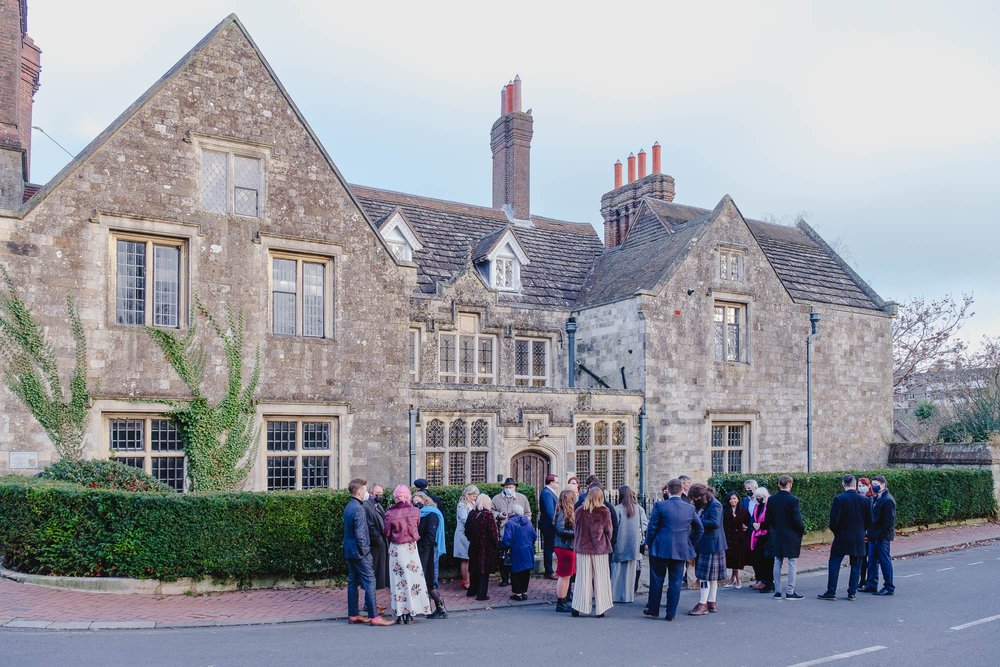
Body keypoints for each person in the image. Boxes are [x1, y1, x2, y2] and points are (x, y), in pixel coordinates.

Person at [644, 478, 704, 621]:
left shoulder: (660, 506)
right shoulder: (689, 508)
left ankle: (653, 610)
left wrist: (649, 543)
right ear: (682, 490)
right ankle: (671, 613)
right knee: (675, 582)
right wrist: (689, 543)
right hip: (680, 549)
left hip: (660, 548)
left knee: (657, 579)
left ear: (668, 490)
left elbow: (652, 528)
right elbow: (699, 528)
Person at [343, 478, 392, 626]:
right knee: (370, 581)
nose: (366, 493)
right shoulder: (359, 508)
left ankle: (353, 614)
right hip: (360, 553)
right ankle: (374, 616)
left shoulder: (349, 506)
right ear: (358, 491)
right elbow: (361, 534)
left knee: (352, 582)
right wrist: (366, 552)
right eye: (364, 490)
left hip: (349, 551)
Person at [818, 474, 872, 601]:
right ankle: (852, 592)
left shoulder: (839, 499)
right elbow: (870, 521)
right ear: (855, 484)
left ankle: (831, 591)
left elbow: (833, 522)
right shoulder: (865, 500)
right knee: (856, 565)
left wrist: (838, 532)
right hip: (858, 536)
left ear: (843, 484)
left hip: (842, 536)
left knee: (834, 563)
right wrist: (862, 531)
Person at [384, 485, 432, 623]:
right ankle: (411, 612)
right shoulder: (415, 510)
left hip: (396, 548)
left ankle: (400, 613)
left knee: (398, 582)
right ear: (408, 496)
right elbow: (416, 526)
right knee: (412, 580)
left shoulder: (389, 513)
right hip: (410, 547)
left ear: (395, 497)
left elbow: (386, 532)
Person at [571, 485, 614, 617]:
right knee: (601, 578)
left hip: (582, 548)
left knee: (582, 578)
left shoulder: (579, 510)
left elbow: (575, 528)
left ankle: (578, 607)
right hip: (599, 549)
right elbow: (609, 531)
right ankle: (600, 609)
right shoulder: (604, 511)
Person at [762, 475, 805, 600]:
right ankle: (790, 591)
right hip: (791, 534)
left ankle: (777, 591)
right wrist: (801, 530)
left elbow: (768, 519)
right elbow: (797, 519)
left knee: (777, 561)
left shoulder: (772, 500)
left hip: (777, 533)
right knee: (792, 561)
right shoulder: (793, 500)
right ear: (790, 485)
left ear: (779, 484)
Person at [688, 483, 727, 615]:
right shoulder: (704, 504)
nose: (694, 501)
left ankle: (703, 604)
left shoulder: (715, 504)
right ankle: (711, 602)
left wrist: (697, 520)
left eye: (695, 498)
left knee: (705, 577)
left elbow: (714, 523)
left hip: (711, 545)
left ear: (701, 496)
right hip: (708, 544)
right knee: (711, 577)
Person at [413, 491, 448, 619]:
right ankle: (437, 608)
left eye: (418, 501)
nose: (416, 504)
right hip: (422, 550)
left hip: (428, 551)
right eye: (414, 502)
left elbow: (430, 535)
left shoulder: (432, 513)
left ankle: (441, 608)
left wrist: (421, 548)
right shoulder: (420, 514)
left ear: (425, 500)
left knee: (429, 580)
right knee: (426, 581)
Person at [492, 478, 532, 587]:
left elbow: (528, 513)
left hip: (518, 532)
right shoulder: (496, 499)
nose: (509, 489)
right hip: (503, 530)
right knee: (503, 555)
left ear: (515, 487)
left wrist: (523, 521)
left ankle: (515, 576)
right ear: (504, 488)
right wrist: (498, 515)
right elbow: (491, 511)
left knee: (515, 555)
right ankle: (504, 578)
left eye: (511, 487)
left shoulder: (522, 498)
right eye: (507, 487)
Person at [611, 485, 647, 603]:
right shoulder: (638, 509)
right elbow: (644, 524)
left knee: (617, 572)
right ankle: (627, 596)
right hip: (633, 545)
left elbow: (614, 527)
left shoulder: (617, 509)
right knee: (629, 574)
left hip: (620, 544)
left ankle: (615, 596)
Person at [863, 475, 896, 596]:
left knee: (884, 560)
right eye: (872, 484)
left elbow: (889, 522)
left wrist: (883, 536)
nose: (873, 486)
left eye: (876, 484)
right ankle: (871, 584)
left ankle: (889, 586)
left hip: (882, 537)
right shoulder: (877, 498)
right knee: (871, 561)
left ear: (883, 485)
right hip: (874, 536)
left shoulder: (887, 500)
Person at [464, 493, 499, 601]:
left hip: (474, 545)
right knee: (484, 570)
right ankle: (481, 594)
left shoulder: (471, 513)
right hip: (485, 546)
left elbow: (467, 530)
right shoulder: (487, 515)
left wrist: (472, 539)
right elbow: (493, 533)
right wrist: (496, 544)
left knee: (474, 569)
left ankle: (472, 590)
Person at [363, 483, 391, 615]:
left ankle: (370, 602)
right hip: (375, 547)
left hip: (381, 546)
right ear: (371, 493)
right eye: (377, 493)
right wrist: (379, 541)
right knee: (372, 575)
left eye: (381, 492)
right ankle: (369, 604)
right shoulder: (367, 506)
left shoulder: (377, 505)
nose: (380, 495)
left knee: (375, 575)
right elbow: (370, 526)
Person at [502, 504, 537, 601]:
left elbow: (506, 539)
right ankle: (524, 593)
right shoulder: (528, 522)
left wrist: (506, 546)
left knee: (516, 572)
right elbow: (534, 536)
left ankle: (517, 594)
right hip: (528, 549)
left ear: (513, 512)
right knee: (526, 572)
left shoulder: (510, 523)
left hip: (516, 550)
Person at [553, 489, 577, 613]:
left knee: (567, 576)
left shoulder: (566, 512)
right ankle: (561, 602)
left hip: (567, 547)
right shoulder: (562, 512)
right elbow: (560, 530)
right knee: (564, 576)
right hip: (564, 547)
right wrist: (575, 533)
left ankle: (564, 599)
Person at [722, 491, 751, 588]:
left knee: (737, 559)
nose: (733, 500)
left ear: (738, 500)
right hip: (729, 538)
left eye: (734, 498)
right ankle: (734, 579)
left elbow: (748, 523)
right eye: (731, 499)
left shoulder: (743, 511)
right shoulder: (725, 511)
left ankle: (735, 579)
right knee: (732, 559)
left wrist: (746, 527)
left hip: (740, 539)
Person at [453, 484, 479, 590]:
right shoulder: (462, 505)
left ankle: (471, 580)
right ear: (468, 494)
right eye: (473, 495)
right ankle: (466, 581)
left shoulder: (474, 504)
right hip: (463, 534)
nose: (475, 498)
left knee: (471, 558)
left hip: (472, 534)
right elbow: (464, 519)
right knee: (465, 558)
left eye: (476, 496)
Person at [750, 487, 774, 593]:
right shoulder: (757, 507)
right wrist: (754, 524)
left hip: (767, 536)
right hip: (757, 536)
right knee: (759, 560)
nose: (758, 498)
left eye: (760, 496)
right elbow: (752, 519)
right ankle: (762, 581)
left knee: (767, 561)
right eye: (757, 497)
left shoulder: (769, 507)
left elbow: (771, 521)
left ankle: (769, 583)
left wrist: (761, 525)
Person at [856, 477, 876, 588]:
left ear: (868, 486)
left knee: (871, 558)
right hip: (860, 532)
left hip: (868, 533)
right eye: (859, 485)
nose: (861, 487)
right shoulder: (857, 498)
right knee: (862, 558)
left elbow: (871, 518)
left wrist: (868, 533)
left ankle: (870, 580)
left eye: (863, 485)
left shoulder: (871, 499)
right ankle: (862, 579)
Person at [539, 474, 560, 580]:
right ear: (551, 482)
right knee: (548, 548)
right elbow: (549, 511)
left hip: (549, 525)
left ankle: (550, 570)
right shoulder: (547, 493)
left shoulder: (549, 492)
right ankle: (549, 571)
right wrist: (555, 524)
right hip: (549, 526)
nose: (557, 485)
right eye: (556, 482)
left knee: (550, 547)